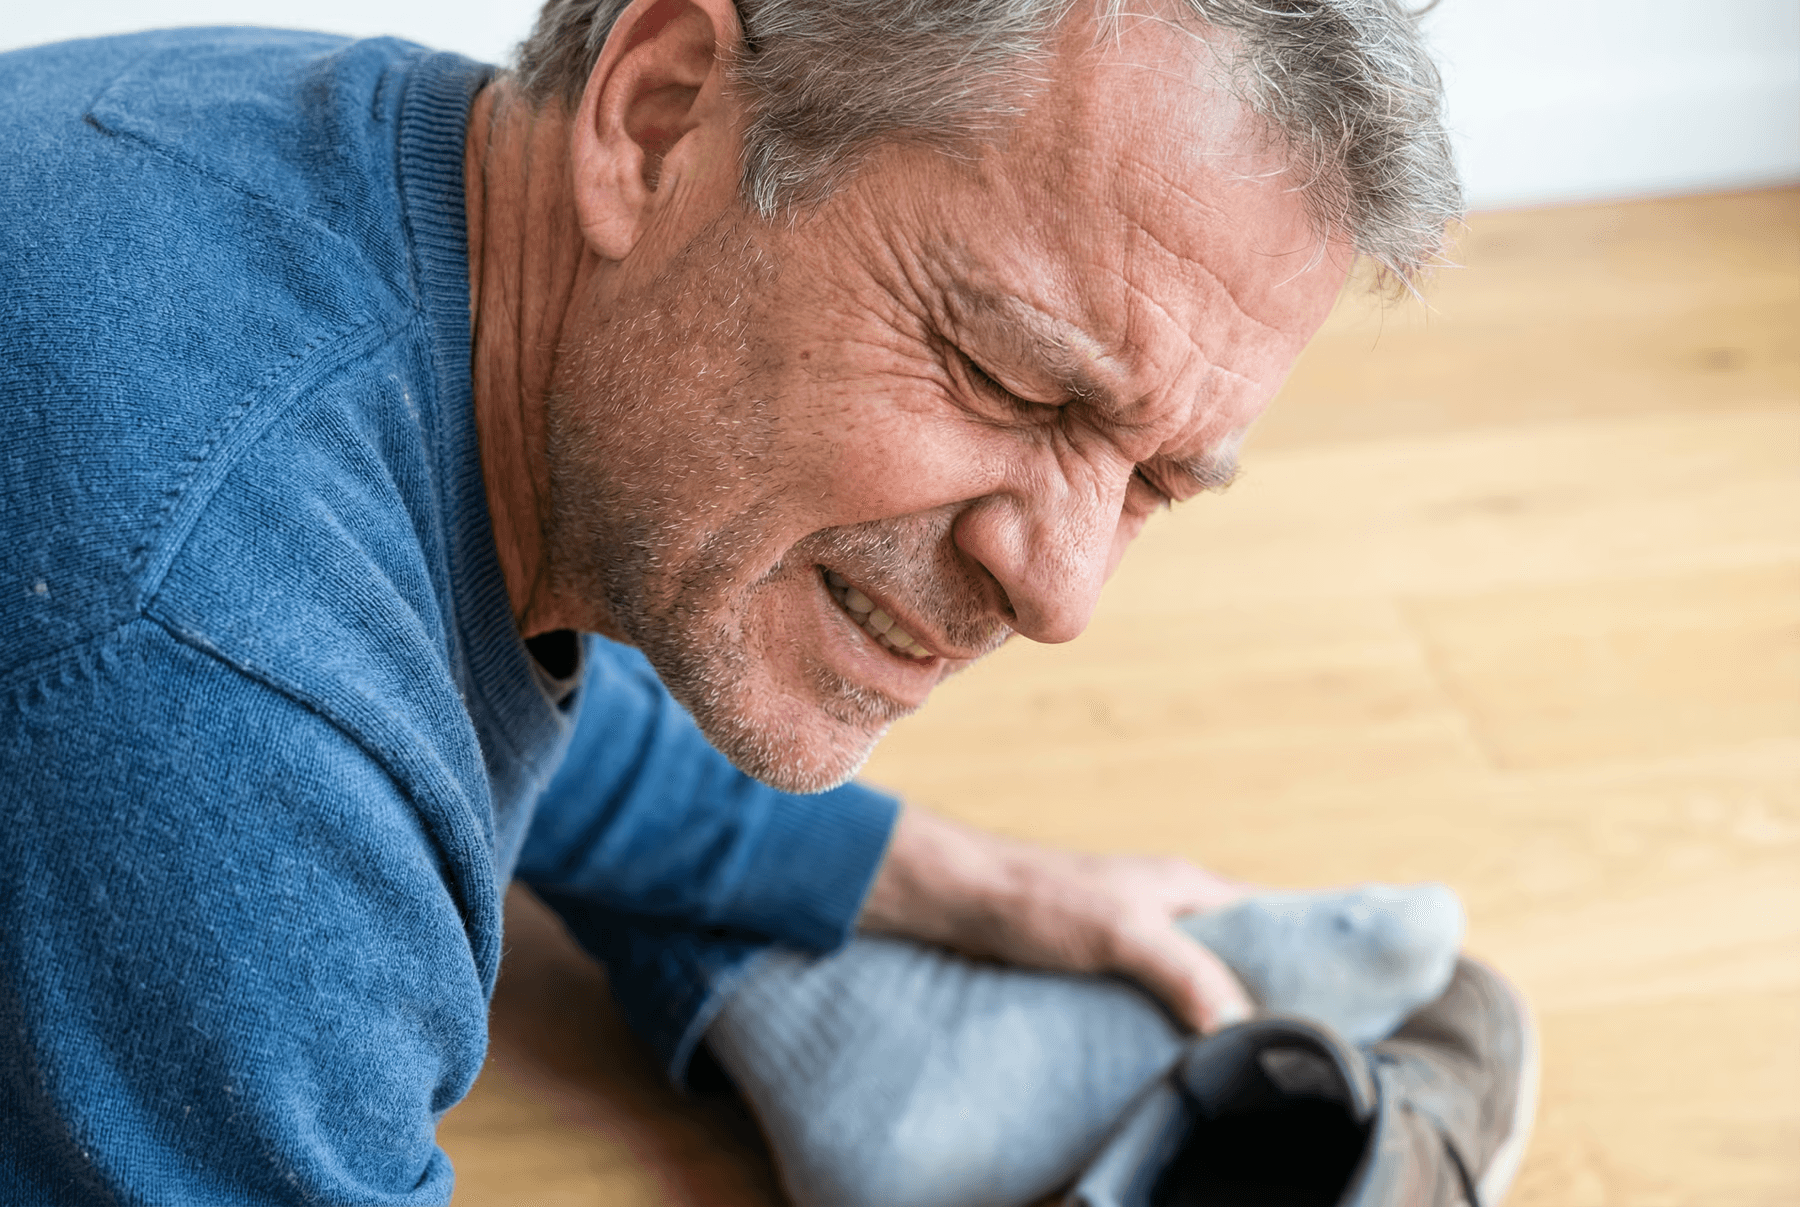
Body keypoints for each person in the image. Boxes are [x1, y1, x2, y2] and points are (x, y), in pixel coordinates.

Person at [0, 0, 1476, 1203]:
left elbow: (427, 654)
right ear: (658, 116)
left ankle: (811, 1001)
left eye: (1155, 479)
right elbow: (301, 703)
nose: (1062, 589)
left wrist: (963, 886)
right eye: (1013, 379)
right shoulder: (218, 703)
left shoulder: (362, 186)